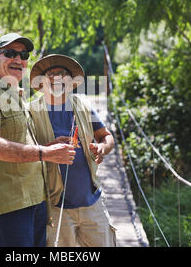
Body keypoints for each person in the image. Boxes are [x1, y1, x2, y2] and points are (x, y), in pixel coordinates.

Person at [0, 33, 76, 247]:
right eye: (10, 53)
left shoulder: (16, 95)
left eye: (23, 54)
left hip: (36, 198)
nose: (18, 59)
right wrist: (46, 153)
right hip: (10, 205)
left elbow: (21, 141)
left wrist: (49, 147)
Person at [29, 54, 117, 247]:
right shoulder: (30, 112)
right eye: (50, 75)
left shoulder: (83, 105)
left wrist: (102, 148)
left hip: (92, 202)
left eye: (63, 74)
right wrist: (48, 149)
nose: (57, 78)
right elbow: (25, 153)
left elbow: (106, 136)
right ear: (42, 82)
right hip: (55, 206)